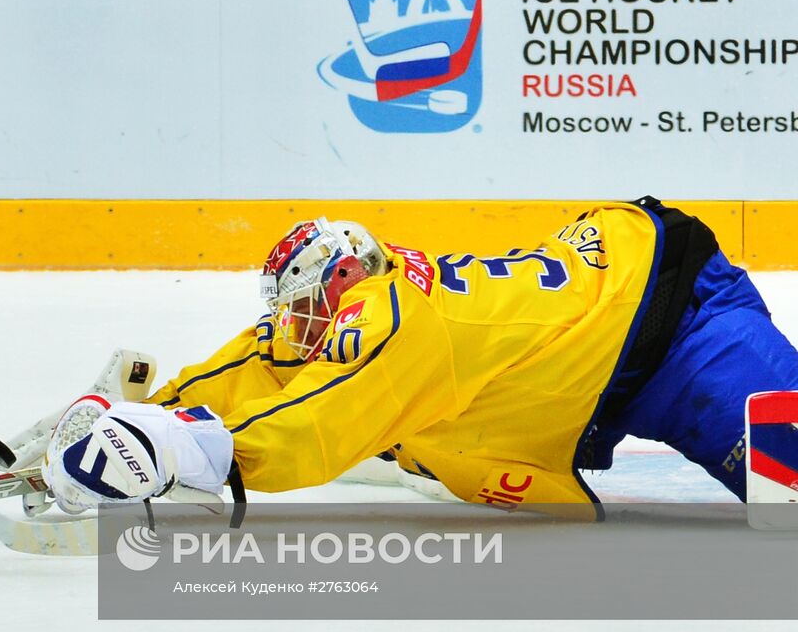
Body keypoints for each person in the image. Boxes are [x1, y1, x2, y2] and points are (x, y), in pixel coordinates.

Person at [41, 198, 798, 517]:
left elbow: (321, 417)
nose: (290, 328)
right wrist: (150, 413)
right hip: (591, 359)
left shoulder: (391, 315)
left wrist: (198, 451)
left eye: (300, 307)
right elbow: (264, 360)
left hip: (679, 331)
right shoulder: (357, 306)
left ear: (341, 283)